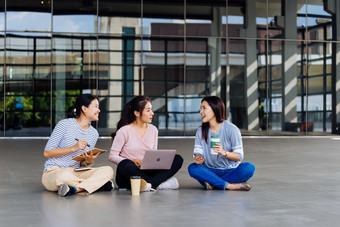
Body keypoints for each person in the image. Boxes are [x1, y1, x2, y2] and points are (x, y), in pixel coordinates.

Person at [42, 94, 114, 197]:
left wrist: (89, 161)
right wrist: (73, 148)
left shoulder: (94, 133)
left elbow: (81, 164)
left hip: (76, 172)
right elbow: (47, 152)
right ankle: (95, 185)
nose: (99, 110)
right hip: (55, 171)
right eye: (96, 107)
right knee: (62, 177)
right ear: (84, 109)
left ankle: (75, 189)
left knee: (108, 170)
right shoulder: (64, 125)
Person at [109, 96, 183, 191]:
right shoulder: (124, 131)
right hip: (129, 173)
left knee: (177, 159)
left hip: (148, 170)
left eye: (151, 110)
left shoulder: (153, 130)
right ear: (136, 113)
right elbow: (112, 156)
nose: (152, 113)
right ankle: (159, 184)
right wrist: (133, 161)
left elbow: (154, 154)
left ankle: (150, 185)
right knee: (125, 164)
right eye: (148, 110)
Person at [188, 96, 255, 191]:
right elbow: (198, 151)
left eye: (204, 108)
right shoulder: (200, 131)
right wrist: (198, 157)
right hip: (210, 170)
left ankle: (213, 183)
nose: (201, 112)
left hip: (230, 170)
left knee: (249, 168)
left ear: (215, 109)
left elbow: (239, 156)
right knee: (193, 168)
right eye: (200, 108)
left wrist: (224, 153)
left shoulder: (232, 129)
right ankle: (229, 185)